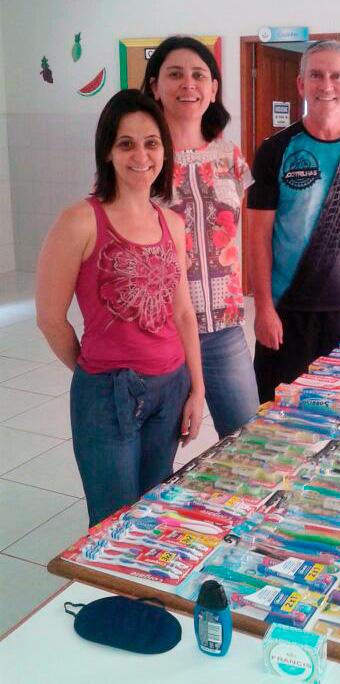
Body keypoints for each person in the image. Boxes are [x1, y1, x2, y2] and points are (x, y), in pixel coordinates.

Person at [36, 89, 204, 527]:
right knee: (113, 524)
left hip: (171, 387)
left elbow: (183, 314)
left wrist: (197, 389)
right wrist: (95, 372)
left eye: (151, 143)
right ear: (107, 152)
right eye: (126, 143)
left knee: (151, 515)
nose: (141, 156)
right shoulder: (79, 221)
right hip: (108, 396)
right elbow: (50, 318)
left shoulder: (172, 222)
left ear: (164, 151)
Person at [247, 40, 340, 403]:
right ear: (301, 84)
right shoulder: (275, 150)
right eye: (316, 75)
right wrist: (263, 307)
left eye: (336, 76)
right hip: (287, 313)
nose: (326, 85)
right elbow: (257, 235)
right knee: (276, 416)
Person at [142, 36, 259, 437]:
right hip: (162, 329)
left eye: (198, 75)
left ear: (213, 88)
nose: (188, 84)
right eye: (175, 74)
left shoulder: (230, 156)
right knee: (159, 452)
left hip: (224, 328)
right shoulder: (142, 159)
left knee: (246, 443)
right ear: (155, 86)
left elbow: (238, 227)